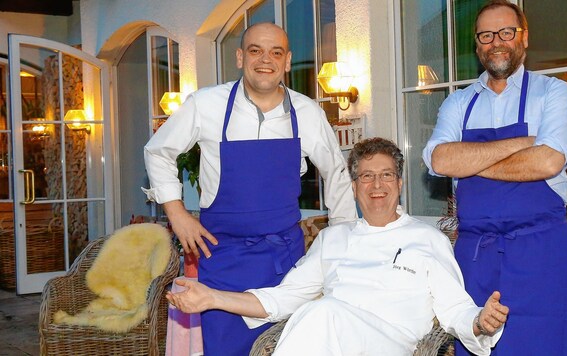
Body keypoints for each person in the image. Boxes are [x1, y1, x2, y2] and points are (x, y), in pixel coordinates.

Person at [167, 137, 509, 356]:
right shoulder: (334, 238)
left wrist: (480, 322)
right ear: (355, 186)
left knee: (322, 312)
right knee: (319, 315)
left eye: (387, 175)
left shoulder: (427, 239)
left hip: (393, 344)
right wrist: (211, 297)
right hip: (329, 342)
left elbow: (455, 309)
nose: (377, 185)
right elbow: (281, 299)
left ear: (400, 184)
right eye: (367, 176)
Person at [143, 22, 357, 355]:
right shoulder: (206, 104)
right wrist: (177, 212)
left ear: (287, 61)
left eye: (276, 52)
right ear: (241, 57)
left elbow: (338, 176)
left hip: (284, 265)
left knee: (286, 348)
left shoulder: (308, 113)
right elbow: (158, 151)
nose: (265, 60)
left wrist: (341, 245)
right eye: (256, 50)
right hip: (222, 258)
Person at [422, 1, 567, 355]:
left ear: (523, 39)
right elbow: (439, 158)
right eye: (486, 34)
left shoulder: (553, 93)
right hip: (476, 259)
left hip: (542, 255)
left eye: (506, 32)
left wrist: (468, 159)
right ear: (477, 45)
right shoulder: (458, 103)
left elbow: (547, 162)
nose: (496, 41)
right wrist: (521, 146)